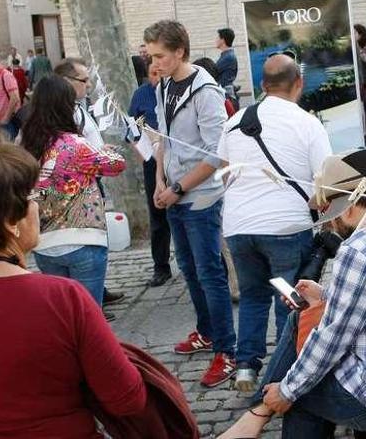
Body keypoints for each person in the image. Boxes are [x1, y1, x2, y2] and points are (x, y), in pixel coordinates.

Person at [221, 148, 366, 438]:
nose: (329, 223)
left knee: (300, 393)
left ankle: (256, 415)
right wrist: (325, 297)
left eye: (328, 212)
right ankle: (256, 414)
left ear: (349, 204)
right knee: (305, 325)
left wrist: (285, 392)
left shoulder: (360, 249)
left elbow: (332, 337)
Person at [0, 143, 146, 437]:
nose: (38, 205)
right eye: (33, 196)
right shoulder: (64, 298)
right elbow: (127, 398)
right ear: (10, 221)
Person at [219, 54, 332, 391]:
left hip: (239, 225)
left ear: (262, 86)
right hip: (285, 226)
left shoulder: (234, 121)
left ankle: (246, 368)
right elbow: (324, 183)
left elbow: (225, 175)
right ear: (299, 83)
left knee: (253, 296)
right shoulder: (308, 123)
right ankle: (284, 374)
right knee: (289, 301)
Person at [145, 20, 237, 388]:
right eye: (150, 56)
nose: (154, 63)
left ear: (179, 51)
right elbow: (162, 138)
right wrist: (159, 180)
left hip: (200, 197)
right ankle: (207, 332)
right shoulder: (163, 84)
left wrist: (179, 187)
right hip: (175, 191)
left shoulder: (206, 91)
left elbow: (217, 154)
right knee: (189, 268)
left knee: (209, 271)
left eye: (160, 56)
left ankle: (228, 352)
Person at [19, 76, 126, 308]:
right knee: (89, 315)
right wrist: (103, 151)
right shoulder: (75, 144)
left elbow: (28, 188)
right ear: (67, 107)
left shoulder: (25, 145)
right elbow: (117, 165)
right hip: (83, 238)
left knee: (64, 316)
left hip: (44, 243)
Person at [128, 63, 172, 288]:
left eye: (160, 72)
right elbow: (132, 130)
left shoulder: (174, 90)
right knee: (157, 215)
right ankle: (161, 266)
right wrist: (142, 153)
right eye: (153, 74)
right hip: (152, 160)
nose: (157, 78)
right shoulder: (141, 96)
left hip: (175, 159)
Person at [54, 58, 104, 150]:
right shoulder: (60, 113)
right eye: (84, 80)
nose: (89, 85)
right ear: (67, 81)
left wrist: (101, 149)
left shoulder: (77, 106)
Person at [0, 52, 21, 139]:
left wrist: (6, 118)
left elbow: (15, 98)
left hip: (8, 122)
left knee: (9, 150)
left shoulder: (6, 75)